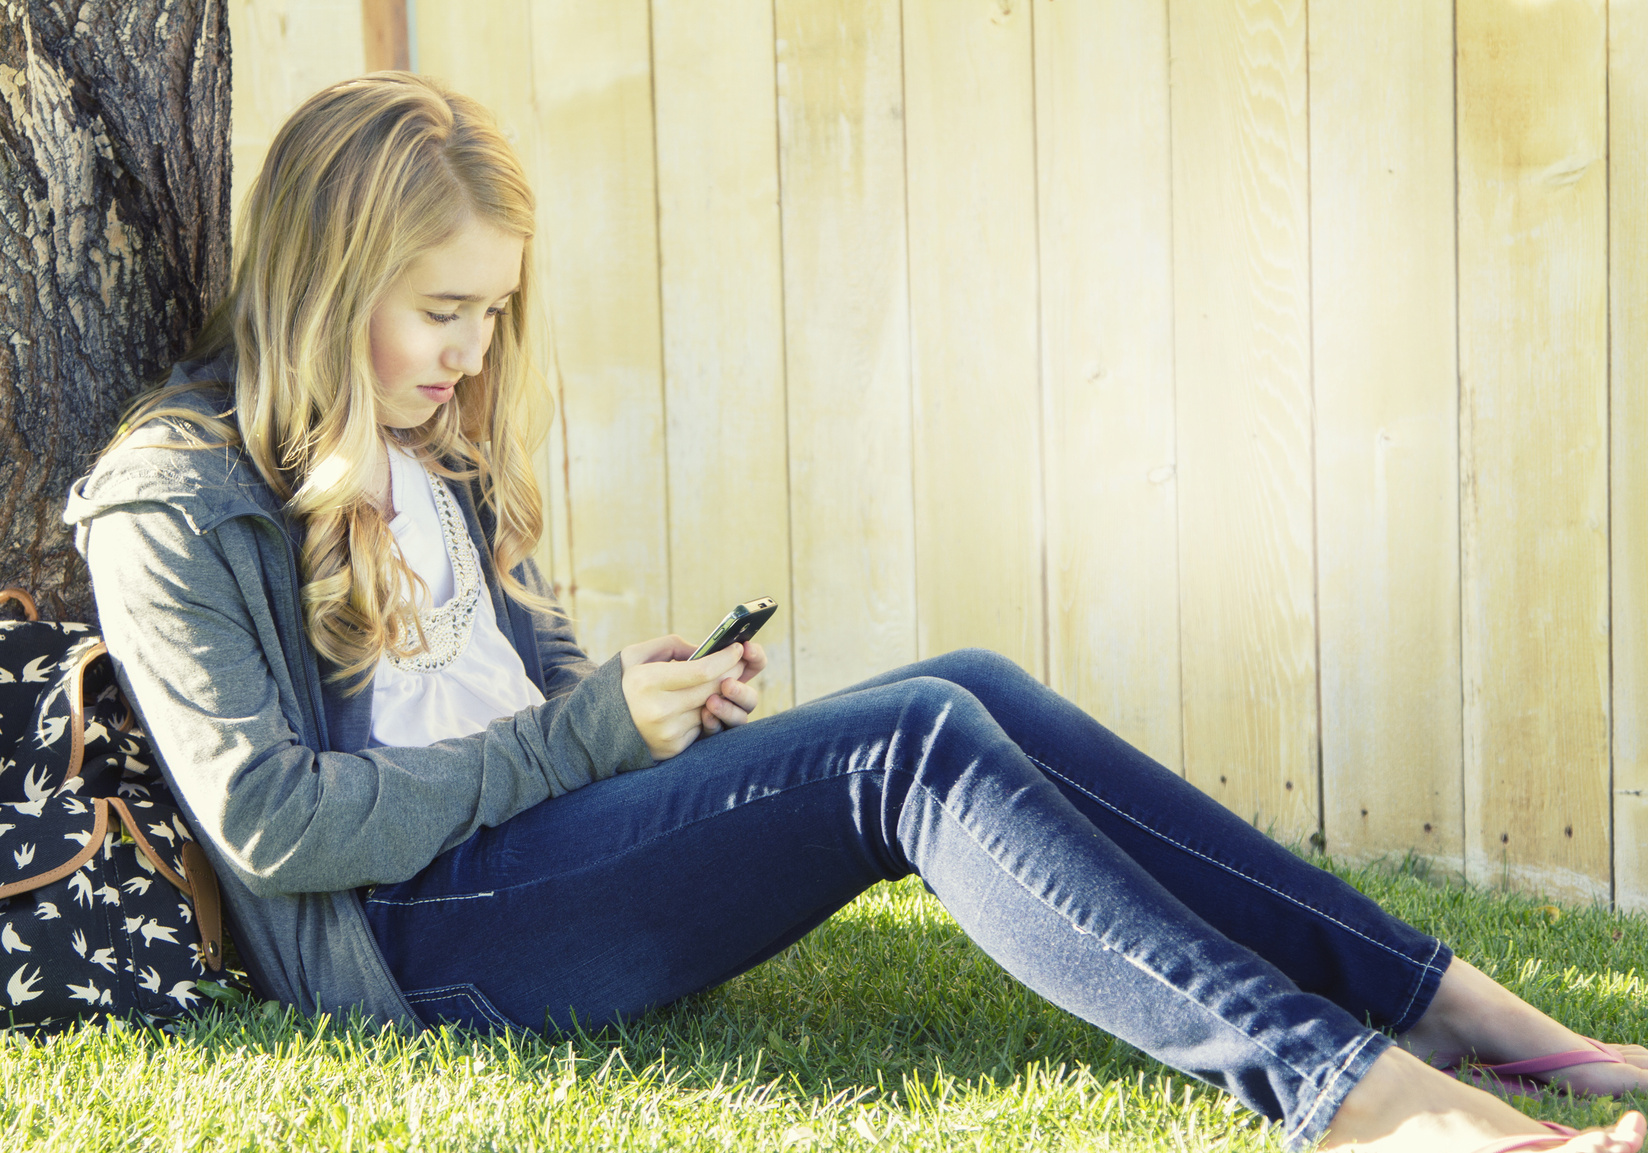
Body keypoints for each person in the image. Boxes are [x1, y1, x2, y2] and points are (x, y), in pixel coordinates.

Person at [62, 72, 1646, 1153]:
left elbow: (515, 703)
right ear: (331, 284)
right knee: (911, 748)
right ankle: (1352, 1094)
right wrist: (582, 733)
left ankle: (1465, 1010)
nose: (473, 351)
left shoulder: (421, 441)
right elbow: (274, 823)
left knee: (965, 682)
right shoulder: (173, 492)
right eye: (444, 312)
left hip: (529, 859)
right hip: (425, 944)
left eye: (492, 311)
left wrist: (638, 708)